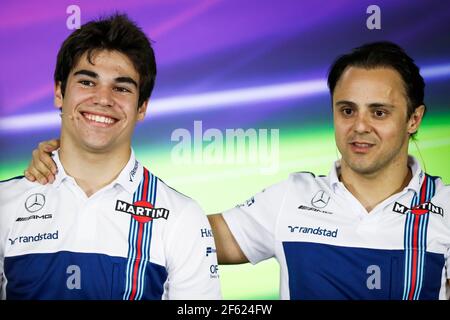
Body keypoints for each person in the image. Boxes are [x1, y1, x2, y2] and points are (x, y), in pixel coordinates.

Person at [23, 42, 450, 299]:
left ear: (414, 119)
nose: (360, 126)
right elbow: (175, 232)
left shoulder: (446, 209)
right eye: (346, 110)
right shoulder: (293, 198)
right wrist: (73, 170)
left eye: (380, 112)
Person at [0, 14, 221, 300]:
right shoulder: (5, 204)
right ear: (59, 91)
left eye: (121, 87)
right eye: (87, 82)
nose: (103, 99)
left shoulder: (182, 217)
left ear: (142, 107)